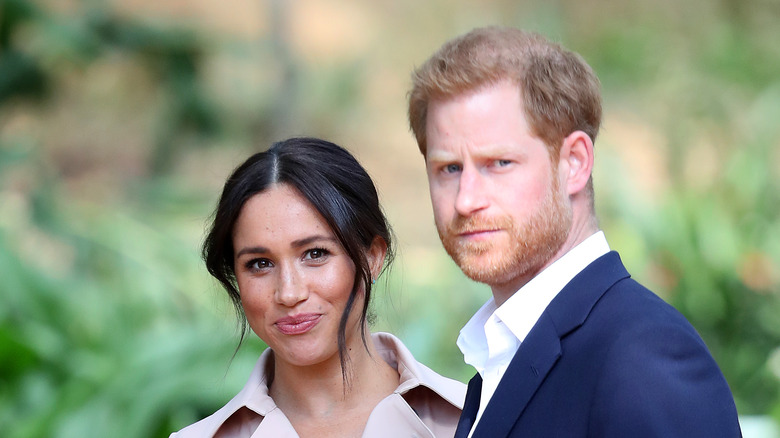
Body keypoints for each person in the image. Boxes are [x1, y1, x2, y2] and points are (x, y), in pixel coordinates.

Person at [407, 26, 742, 437]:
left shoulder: (642, 358)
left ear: (575, 163)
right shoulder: (505, 354)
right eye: (449, 169)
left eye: (498, 163)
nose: (465, 200)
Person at [170, 137, 465, 438]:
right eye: (260, 263)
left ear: (373, 257)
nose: (289, 293)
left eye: (315, 254)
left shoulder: (477, 420)